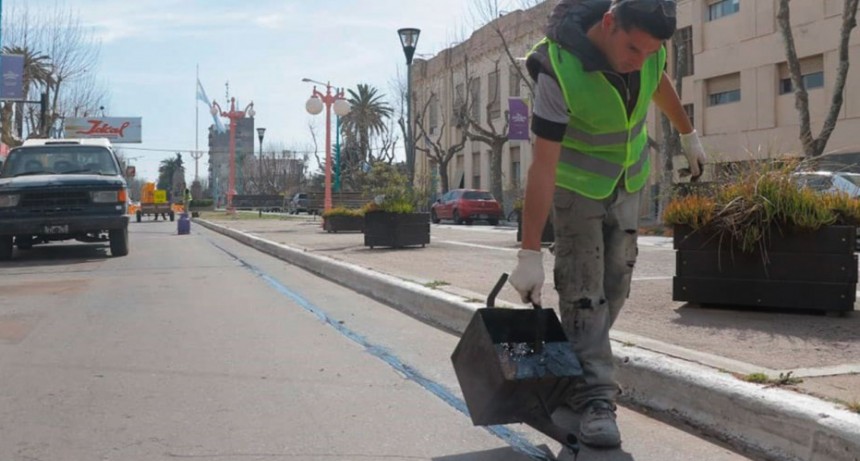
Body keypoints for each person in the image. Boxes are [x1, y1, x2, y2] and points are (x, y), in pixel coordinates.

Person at [509, 0, 706, 449]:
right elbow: (541, 165)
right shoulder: (557, 68)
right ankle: (597, 397)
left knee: (615, 285)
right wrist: (529, 252)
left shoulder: (648, 50)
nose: (639, 61)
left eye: (649, 52)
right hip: (576, 190)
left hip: (628, 181)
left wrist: (688, 133)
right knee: (583, 290)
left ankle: (575, 367)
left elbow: (660, 83)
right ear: (609, 23)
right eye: (633, 49)